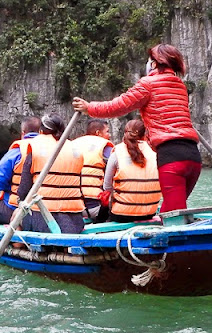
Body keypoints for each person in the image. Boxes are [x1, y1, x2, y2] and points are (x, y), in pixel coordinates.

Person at [72, 43, 202, 214]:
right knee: (173, 210)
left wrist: (89, 108)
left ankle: (177, 238)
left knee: (173, 214)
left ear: (154, 64)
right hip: (193, 156)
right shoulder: (180, 85)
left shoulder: (148, 84)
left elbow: (118, 106)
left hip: (171, 157)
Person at [17, 113, 85, 233]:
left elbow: (23, 191)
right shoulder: (75, 149)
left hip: (42, 220)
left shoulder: (35, 147)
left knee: (16, 214)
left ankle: (18, 245)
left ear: (41, 131)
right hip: (75, 221)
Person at [0, 116, 41, 223]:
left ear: (22, 133)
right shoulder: (54, 151)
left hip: (18, 208)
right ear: (41, 132)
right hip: (49, 209)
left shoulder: (16, 152)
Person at [103, 120, 161, 222]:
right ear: (145, 135)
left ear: (125, 133)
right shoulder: (155, 152)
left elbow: (107, 187)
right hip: (149, 212)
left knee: (104, 213)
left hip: (122, 214)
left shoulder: (117, 153)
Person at [72, 118, 114, 222]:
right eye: (107, 131)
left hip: (73, 208)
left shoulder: (71, 144)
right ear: (98, 133)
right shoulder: (105, 147)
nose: (110, 135)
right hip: (97, 208)